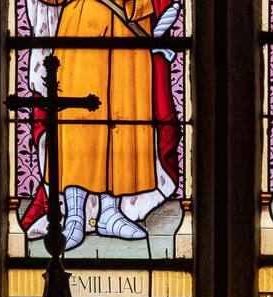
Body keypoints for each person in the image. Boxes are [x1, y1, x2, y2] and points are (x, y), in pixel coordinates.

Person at [18, 0, 185, 250]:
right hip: (81, 28)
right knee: (79, 125)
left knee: (123, 124)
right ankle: (74, 216)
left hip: (128, 32)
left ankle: (110, 212)